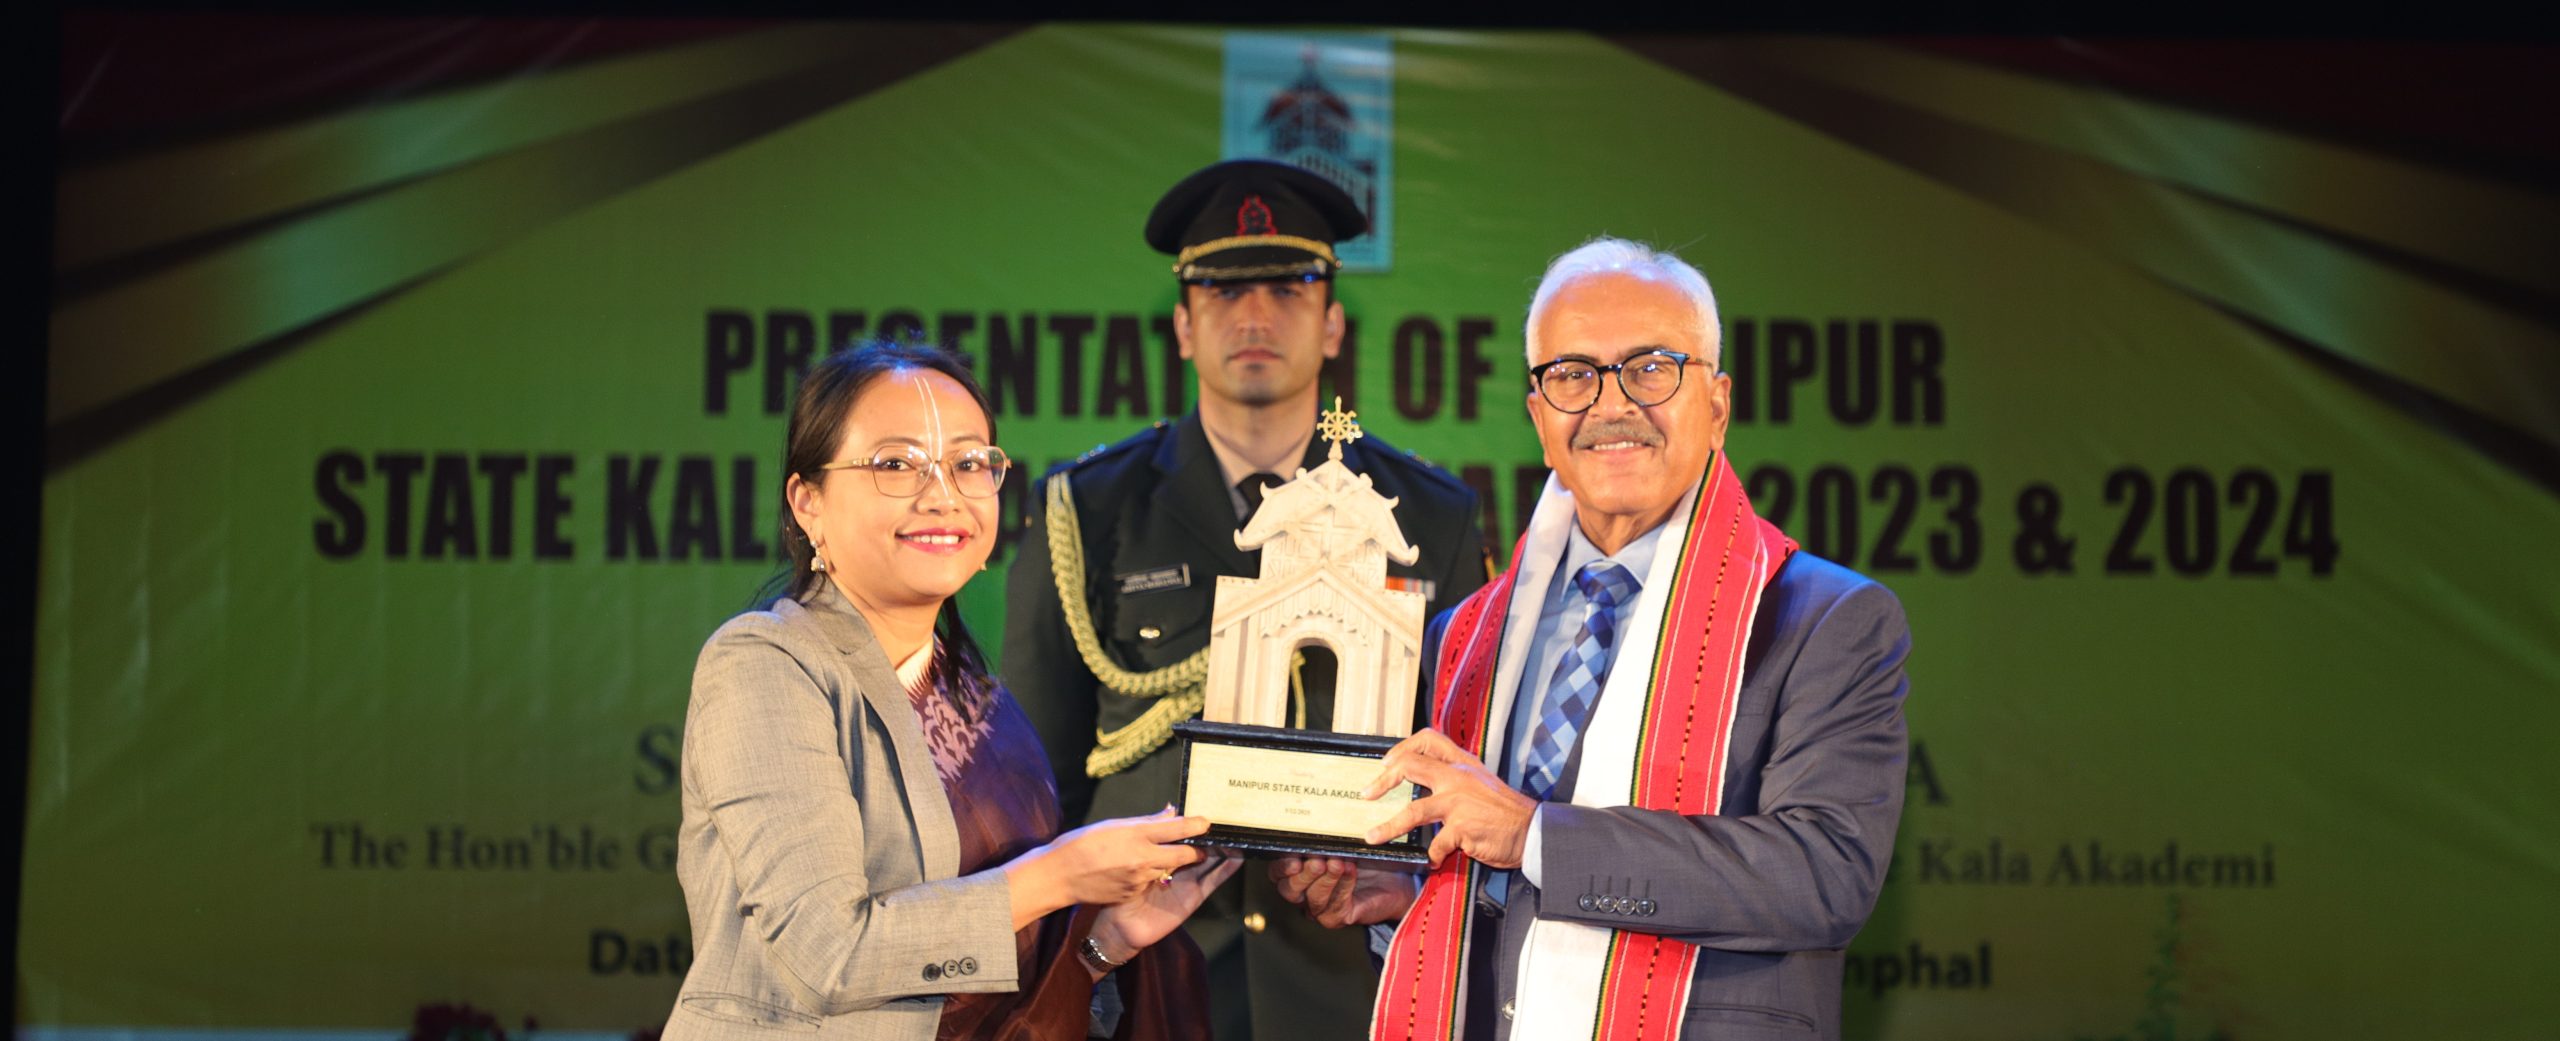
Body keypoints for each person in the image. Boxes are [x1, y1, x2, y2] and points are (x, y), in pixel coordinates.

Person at [1272, 238, 1912, 1041]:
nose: (1612, 404)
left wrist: (1532, 834)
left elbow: (1823, 875)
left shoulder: (1824, 619)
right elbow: (1500, 882)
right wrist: (1414, 897)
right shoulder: (1463, 635)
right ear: (1540, 419)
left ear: (1717, 406)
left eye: (1651, 367)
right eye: (1573, 374)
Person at [1003, 159, 1491, 1041]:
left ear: (1334, 323)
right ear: (1183, 325)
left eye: (1289, 288)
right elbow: (1035, 792)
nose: (1256, 316)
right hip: (1143, 984)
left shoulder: (1427, 515)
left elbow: (1466, 770)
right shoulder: (1087, 511)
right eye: (1224, 291)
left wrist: (1397, 877)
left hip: (1350, 988)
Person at [666, 341, 1243, 1041]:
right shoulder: (767, 664)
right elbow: (829, 954)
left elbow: (988, 972)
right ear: (807, 501)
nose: (943, 495)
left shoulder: (975, 693)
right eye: (895, 464)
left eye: (969, 463)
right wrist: (1060, 875)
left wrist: (1105, 941)